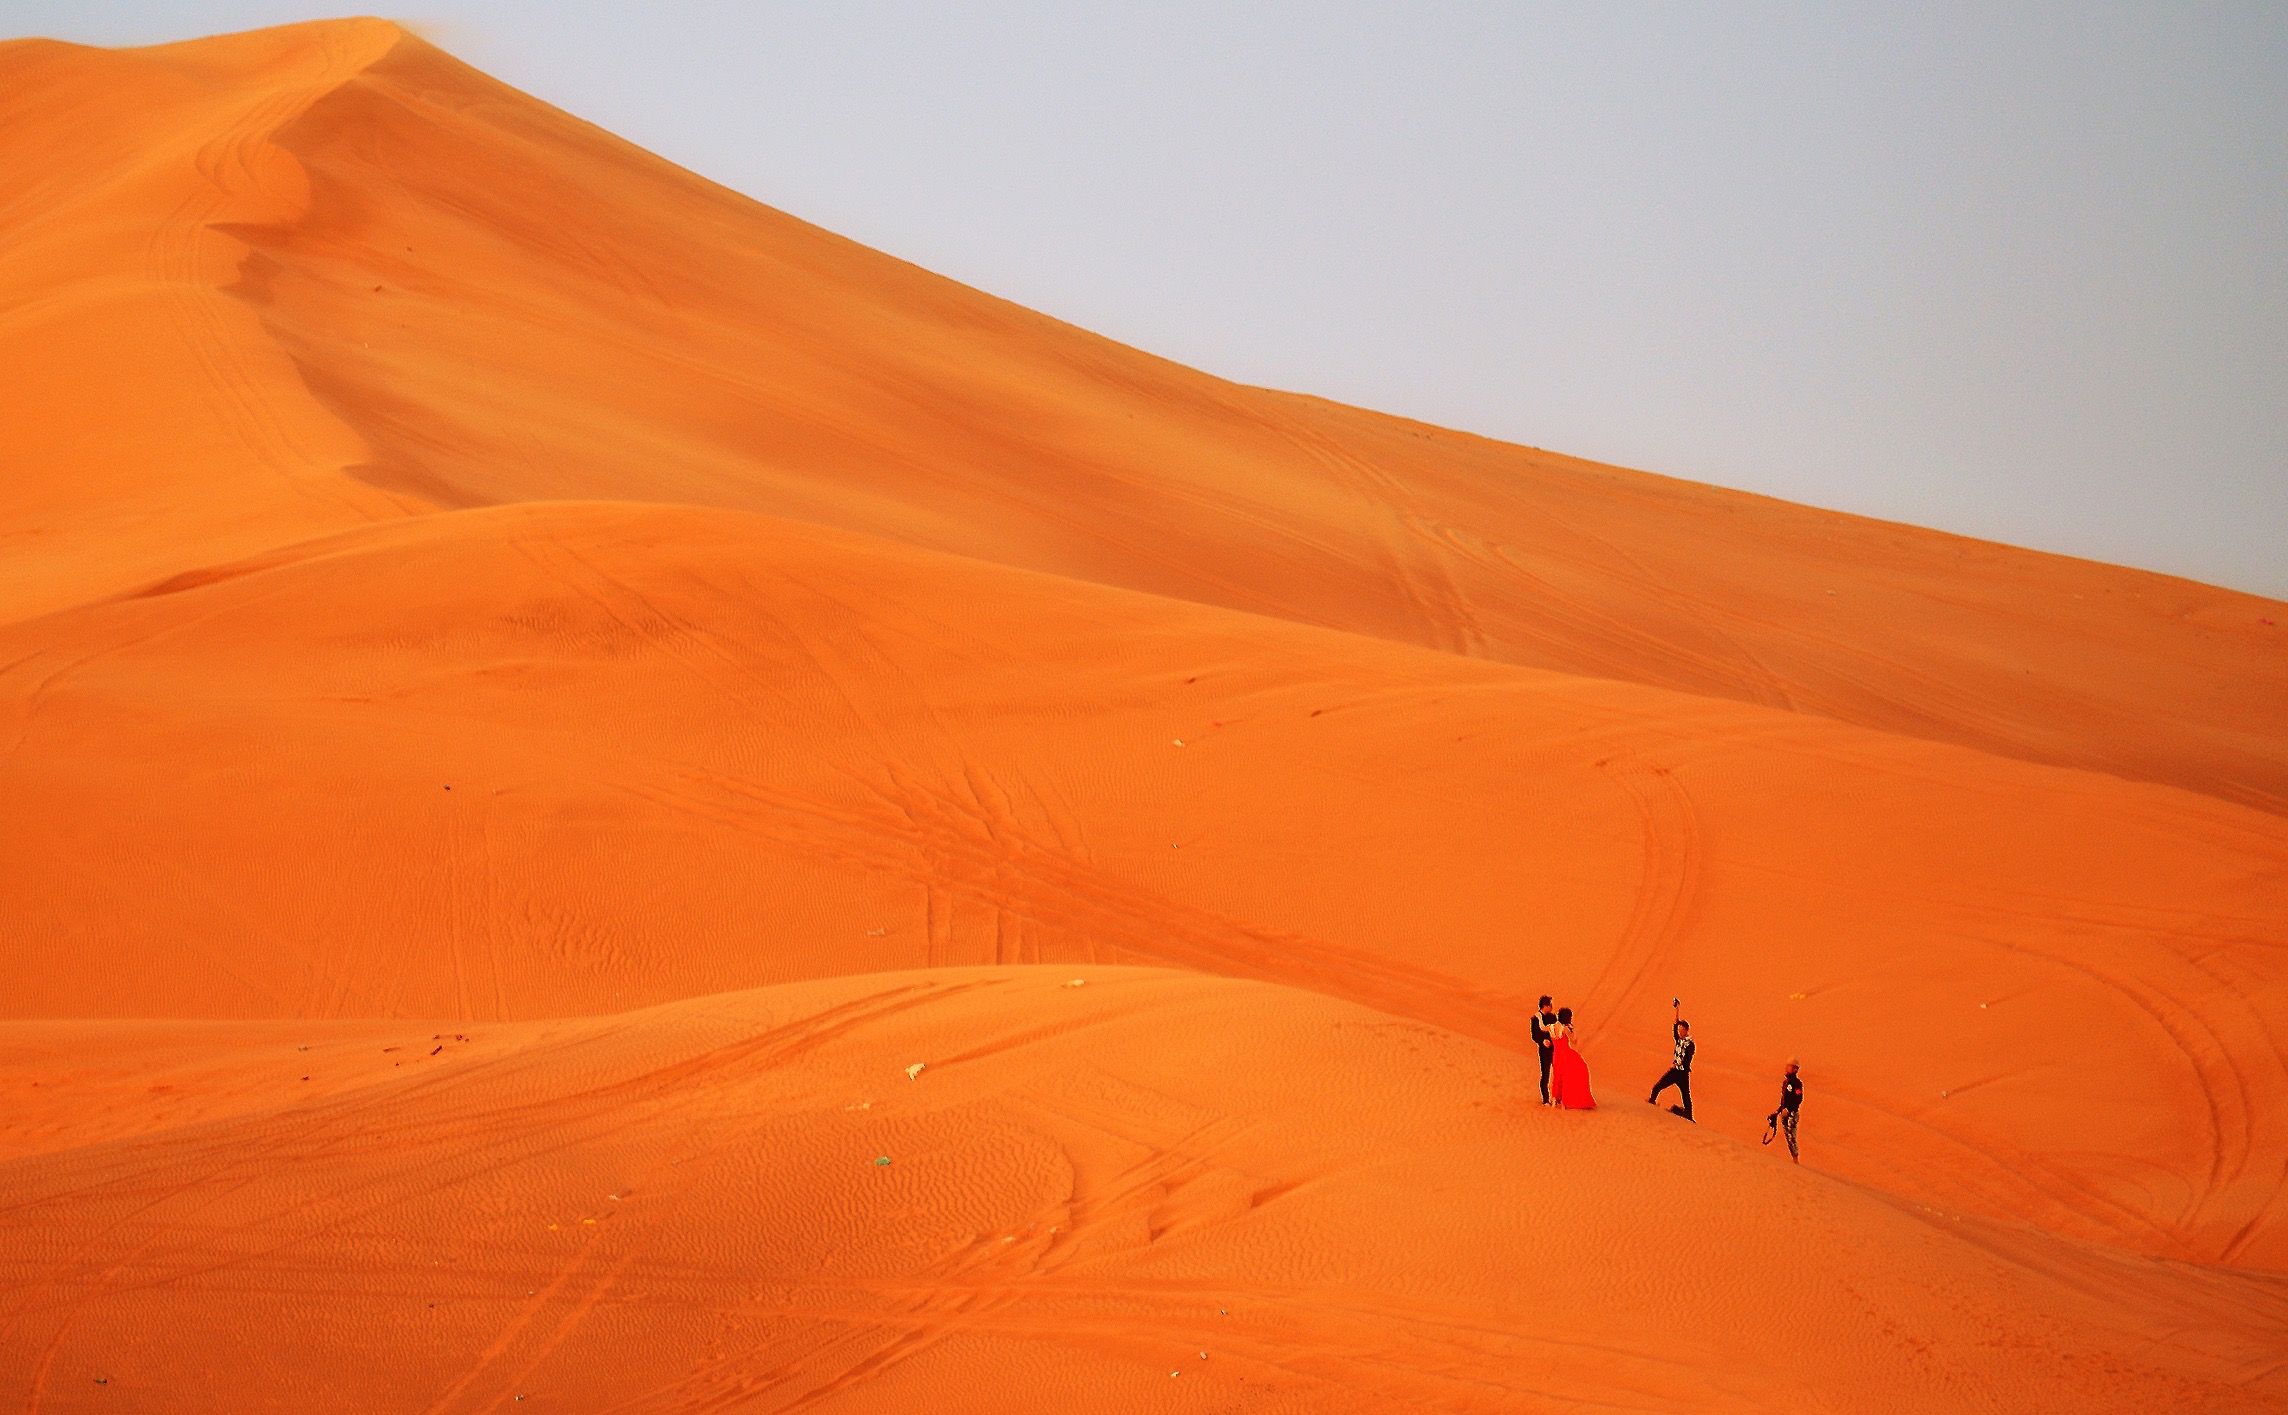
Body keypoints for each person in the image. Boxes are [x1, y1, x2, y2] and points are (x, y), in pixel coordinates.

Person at [1647, 1020, 1694, 1121]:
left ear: (1686, 1030)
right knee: (1658, 1086)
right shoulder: (1679, 1040)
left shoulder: (1690, 1044)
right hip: (1674, 1071)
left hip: (1682, 1073)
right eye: (1679, 1030)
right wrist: (1676, 1014)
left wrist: (1678, 1064)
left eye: (1682, 1030)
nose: (1680, 1032)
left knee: (1686, 1095)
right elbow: (1675, 1033)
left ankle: (1689, 1116)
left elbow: (1688, 1059)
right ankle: (1651, 1101)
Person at [1550, 1006, 1596, 1110]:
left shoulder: (1552, 1027)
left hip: (1556, 1056)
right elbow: (1574, 1040)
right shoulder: (1565, 1028)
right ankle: (1565, 1102)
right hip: (1566, 1055)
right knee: (1580, 1070)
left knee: (1557, 1077)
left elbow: (1544, 1029)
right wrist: (1573, 1029)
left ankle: (1554, 1100)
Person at [1765, 1060, 1803, 1161]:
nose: (1787, 1068)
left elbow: (1798, 1099)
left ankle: (1795, 1159)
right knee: (1788, 1136)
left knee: (1791, 1136)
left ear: (1795, 1069)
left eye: (1789, 1066)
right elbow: (1784, 1099)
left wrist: (1788, 1109)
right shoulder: (1786, 1082)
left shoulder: (1796, 1083)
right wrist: (1778, 1111)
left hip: (1792, 1113)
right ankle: (1794, 1158)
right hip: (1785, 1113)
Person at [1529, 996, 1558, 1104]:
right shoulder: (1536, 1019)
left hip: (1555, 1049)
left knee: (1557, 1073)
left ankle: (1557, 1098)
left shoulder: (1552, 1017)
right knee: (1545, 1074)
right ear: (1545, 1006)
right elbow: (1535, 1035)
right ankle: (1545, 1100)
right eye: (1550, 1005)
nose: (1551, 1007)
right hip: (1544, 1051)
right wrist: (1542, 1041)